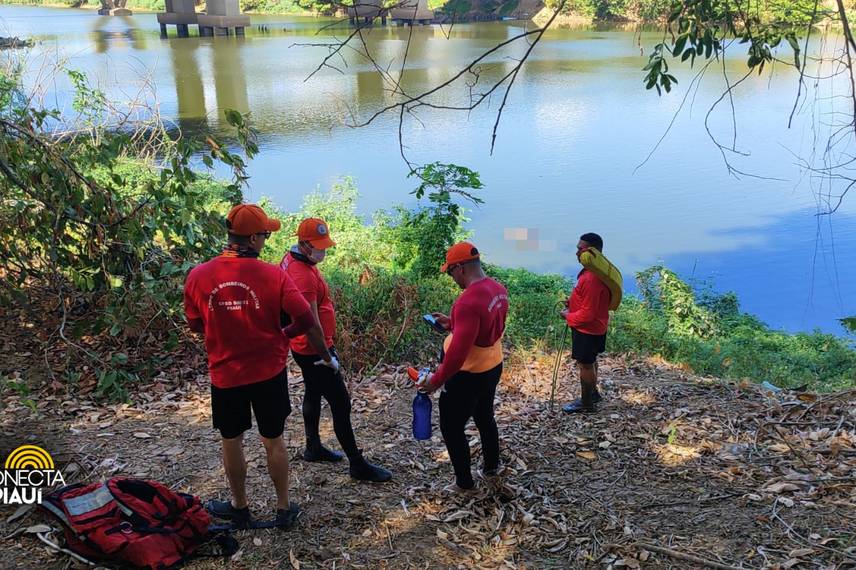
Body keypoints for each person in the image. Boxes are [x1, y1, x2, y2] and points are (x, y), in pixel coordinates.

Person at [184, 204, 339, 529]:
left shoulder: (198, 276)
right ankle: (283, 508)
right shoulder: (274, 275)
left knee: (232, 439)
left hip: (226, 374)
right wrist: (285, 335)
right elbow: (306, 319)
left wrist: (222, 329)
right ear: (252, 238)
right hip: (268, 372)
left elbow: (196, 324)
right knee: (274, 439)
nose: (267, 240)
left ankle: (240, 506)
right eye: (265, 235)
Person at [281, 218, 392, 483]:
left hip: (304, 349)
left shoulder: (293, 260)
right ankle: (357, 463)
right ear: (305, 245)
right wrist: (327, 357)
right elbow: (311, 324)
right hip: (314, 350)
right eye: (319, 246)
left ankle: (313, 447)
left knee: (313, 391)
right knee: (341, 402)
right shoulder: (302, 275)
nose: (324, 251)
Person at [418, 242, 509, 491]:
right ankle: (491, 466)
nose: (451, 277)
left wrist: (437, 380)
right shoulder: (498, 290)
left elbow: (457, 355)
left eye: (450, 272)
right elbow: (485, 327)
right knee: (485, 416)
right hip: (492, 366)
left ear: (460, 268)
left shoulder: (467, 301)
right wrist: (453, 322)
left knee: (452, 427)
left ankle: (464, 483)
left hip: (467, 376)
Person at [560, 232, 611, 414]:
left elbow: (587, 314)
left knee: (586, 364)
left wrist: (568, 316)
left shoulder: (591, 278)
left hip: (588, 330)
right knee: (591, 360)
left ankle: (587, 403)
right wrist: (572, 302)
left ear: (591, 251)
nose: (577, 253)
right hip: (598, 325)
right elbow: (590, 302)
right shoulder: (596, 270)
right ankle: (593, 394)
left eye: (580, 249)